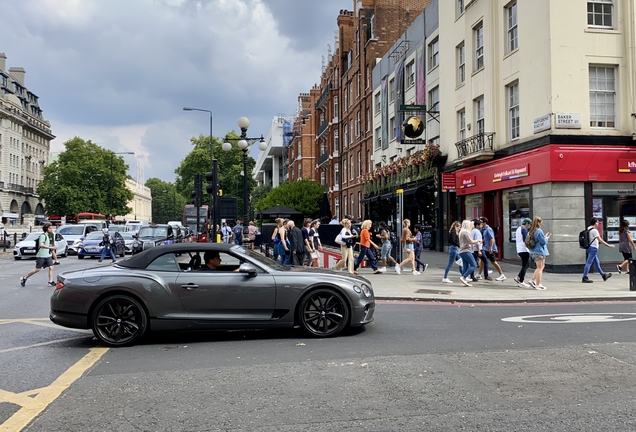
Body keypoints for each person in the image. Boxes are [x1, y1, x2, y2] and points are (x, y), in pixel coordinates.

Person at [20, 223, 57, 287]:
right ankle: (24, 278)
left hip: (47, 255)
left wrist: (52, 247)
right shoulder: (43, 236)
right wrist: (50, 247)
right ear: (46, 229)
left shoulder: (48, 235)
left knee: (51, 267)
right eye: (50, 228)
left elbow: (47, 244)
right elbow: (41, 245)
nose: (52, 229)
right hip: (41, 255)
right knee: (37, 269)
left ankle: (50, 281)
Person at [582, 217, 615, 283]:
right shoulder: (594, 231)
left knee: (597, 263)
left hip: (589, 248)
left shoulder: (589, 228)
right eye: (597, 222)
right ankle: (584, 277)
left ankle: (603, 275)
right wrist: (609, 245)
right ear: (594, 223)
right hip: (593, 248)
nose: (598, 223)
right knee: (589, 263)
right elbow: (600, 240)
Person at [527, 216, 551, 290]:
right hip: (539, 251)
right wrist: (546, 238)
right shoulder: (539, 231)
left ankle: (533, 280)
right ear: (538, 222)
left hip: (533, 251)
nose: (541, 224)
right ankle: (538, 284)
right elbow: (543, 242)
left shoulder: (532, 230)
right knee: (540, 268)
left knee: (540, 267)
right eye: (541, 223)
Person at [479, 217, 506, 281]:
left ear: (485, 223)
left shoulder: (489, 229)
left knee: (493, 261)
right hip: (486, 248)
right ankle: (479, 274)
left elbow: (492, 238)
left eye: (481, 222)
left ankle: (502, 274)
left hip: (489, 248)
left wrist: (491, 247)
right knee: (482, 260)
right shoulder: (484, 229)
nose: (480, 223)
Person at [458, 220, 481, 287]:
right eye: (470, 224)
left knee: (466, 265)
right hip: (466, 250)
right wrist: (478, 240)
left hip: (462, 251)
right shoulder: (466, 232)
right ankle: (464, 277)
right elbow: (471, 241)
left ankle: (464, 279)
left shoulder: (462, 232)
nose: (472, 225)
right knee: (474, 265)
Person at [514, 218, 533, 287]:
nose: (530, 226)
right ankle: (521, 281)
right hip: (524, 249)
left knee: (525, 265)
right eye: (530, 224)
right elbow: (526, 240)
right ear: (527, 223)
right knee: (525, 265)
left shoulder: (518, 229)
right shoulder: (524, 229)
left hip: (519, 249)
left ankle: (518, 277)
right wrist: (529, 248)